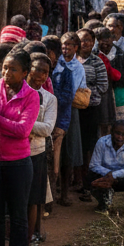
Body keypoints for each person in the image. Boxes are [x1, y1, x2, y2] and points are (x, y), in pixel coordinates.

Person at [0, 46, 39, 246]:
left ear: (25, 72)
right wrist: (4, 120)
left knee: (18, 218)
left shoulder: (32, 96)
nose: (6, 72)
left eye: (13, 69)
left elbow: (23, 130)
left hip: (18, 164)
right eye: (4, 67)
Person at [51, 32, 87, 207]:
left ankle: (64, 193)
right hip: (53, 112)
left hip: (69, 113)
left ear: (76, 47)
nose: (66, 48)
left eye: (70, 45)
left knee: (67, 153)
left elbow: (72, 93)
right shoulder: (55, 63)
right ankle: (54, 191)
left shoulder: (77, 67)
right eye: (63, 44)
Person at [25, 53, 56, 246]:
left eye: (45, 72)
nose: (41, 75)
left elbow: (47, 129)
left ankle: (30, 237)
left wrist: (23, 126)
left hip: (37, 151)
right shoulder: (16, 93)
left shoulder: (49, 99)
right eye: (37, 69)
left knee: (34, 199)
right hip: (14, 153)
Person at [84, 120, 124, 213]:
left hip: (122, 179)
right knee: (90, 177)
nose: (120, 137)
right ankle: (102, 203)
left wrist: (115, 175)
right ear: (112, 132)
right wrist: (109, 174)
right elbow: (94, 165)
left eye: (123, 134)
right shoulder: (102, 142)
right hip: (105, 177)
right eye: (117, 133)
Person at [77, 30, 109, 191]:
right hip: (74, 111)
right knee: (77, 146)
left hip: (91, 109)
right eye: (82, 40)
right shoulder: (71, 60)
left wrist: (83, 94)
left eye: (89, 40)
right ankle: (76, 180)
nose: (85, 43)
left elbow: (103, 86)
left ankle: (87, 183)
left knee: (88, 147)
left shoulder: (97, 62)